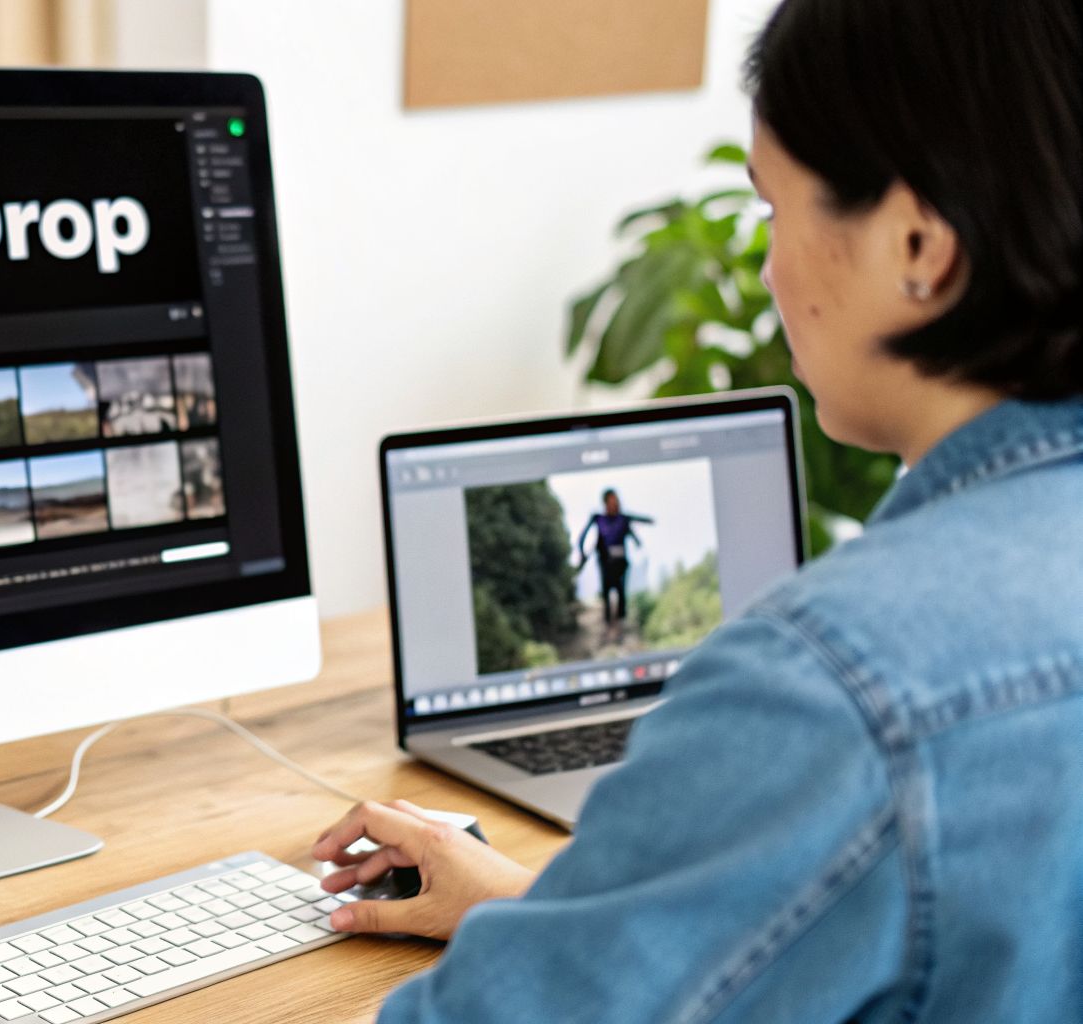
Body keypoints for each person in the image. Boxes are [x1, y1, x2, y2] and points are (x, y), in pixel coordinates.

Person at [310, 0, 1083, 1019]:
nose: (766, 266)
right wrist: (578, 910)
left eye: (775, 208)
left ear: (914, 243)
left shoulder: (829, 683)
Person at [574, 489, 653, 626]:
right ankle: (608, 623)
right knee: (606, 592)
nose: (615, 504)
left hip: (620, 562)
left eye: (616, 501)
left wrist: (638, 541)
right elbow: (582, 537)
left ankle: (621, 623)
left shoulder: (623, 519)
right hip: (605, 562)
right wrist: (582, 552)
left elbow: (632, 531)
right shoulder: (598, 519)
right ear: (605, 503)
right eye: (611, 501)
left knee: (621, 593)